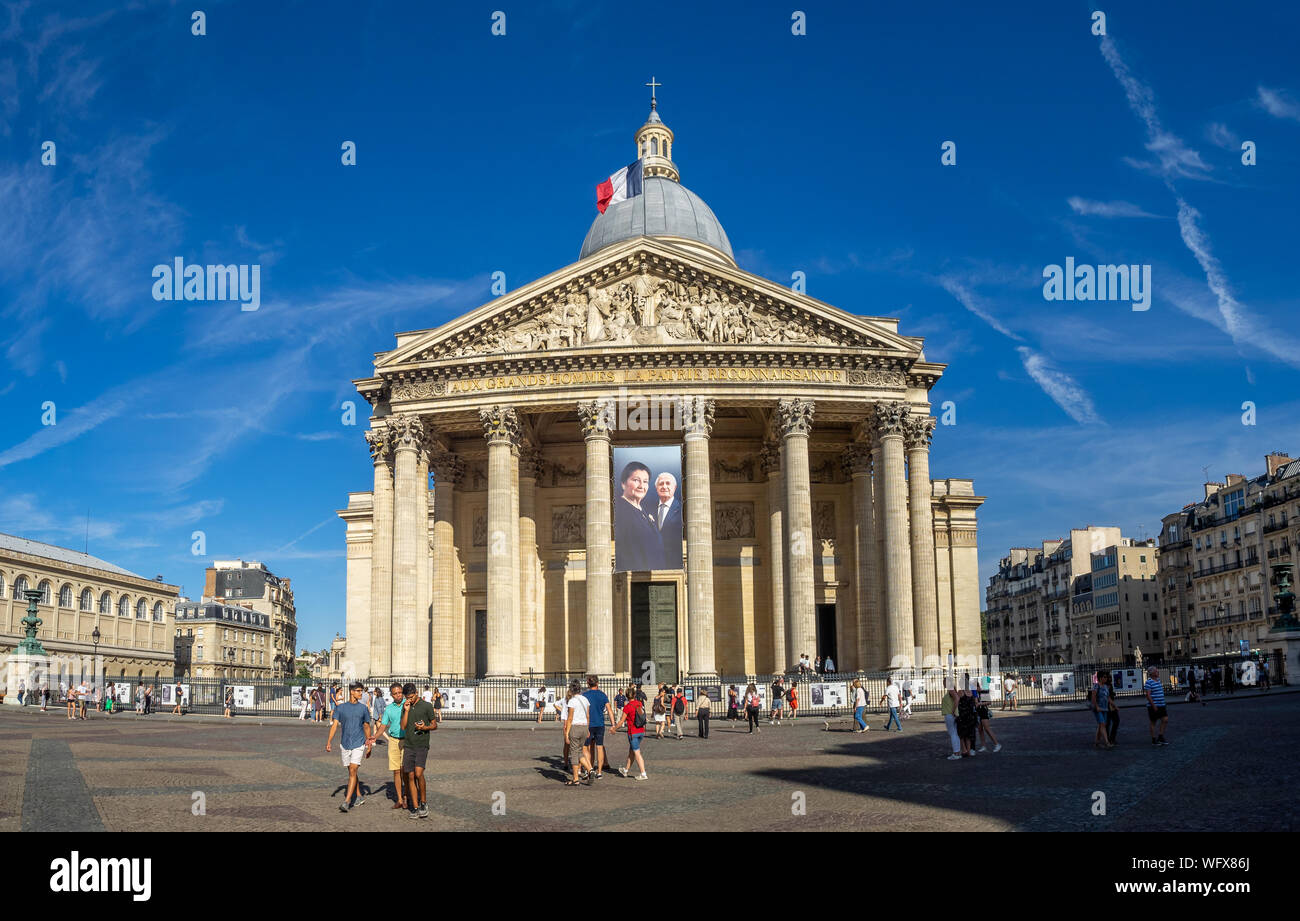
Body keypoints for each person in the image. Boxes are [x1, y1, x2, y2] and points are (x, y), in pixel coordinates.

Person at [326, 681, 374, 813]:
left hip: (359, 743)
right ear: (352, 691)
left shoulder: (363, 708)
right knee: (352, 772)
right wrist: (329, 741)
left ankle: (347, 802)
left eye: (361, 691)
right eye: (358, 691)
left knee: (353, 769)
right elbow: (335, 725)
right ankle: (359, 796)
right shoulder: (340, 708)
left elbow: (366, 726)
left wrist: (369, 745)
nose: (361, 693)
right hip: (345, 743)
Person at [614, 461, 665, 571]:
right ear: (623, 483)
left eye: (645, 481)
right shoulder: (621, 510)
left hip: (655, 574)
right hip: (636, 577)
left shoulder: (644, 511)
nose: (641, 486)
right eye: (636, 480)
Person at [400, 681, 438, 817]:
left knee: (418, 773)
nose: (409, 700)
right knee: (409, 775)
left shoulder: (426, 706)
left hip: (422, 744)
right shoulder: (405, 707)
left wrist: (425, 728)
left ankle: (423, 802)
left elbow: (434, 725)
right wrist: (406, 711)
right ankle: (415, 807)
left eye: (411, 697)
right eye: (407, 698)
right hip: (409, 745)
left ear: (416, 693)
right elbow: (403, 727)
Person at [372, 683, 408, 809]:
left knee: (406, 771)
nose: (398, 695)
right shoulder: (388, 709)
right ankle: (399, 799)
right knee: (396, 771)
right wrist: (374, 737)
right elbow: (383, 726)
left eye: (400, 692)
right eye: (395, 693)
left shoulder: (408, 704)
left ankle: (407, 796)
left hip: (407, 741)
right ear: (391, 695)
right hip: (393, 741)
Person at [643, 471, 683, 568]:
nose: (664, 487)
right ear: (656, 488)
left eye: (668, 483)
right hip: (651, 562)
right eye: (661, 484)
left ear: (675, 487)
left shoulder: (682, 508)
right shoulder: (647, 508)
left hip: (674, 561)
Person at [583, 676, 616, 776]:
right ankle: (600, 772)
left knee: (588, 747)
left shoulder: (584, 695)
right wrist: (613, 724)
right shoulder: (602, 695)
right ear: (597, 683)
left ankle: (589, 769)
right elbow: (609, 710)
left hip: (588, 724)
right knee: (599, 747)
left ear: (588, 684)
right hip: (600, 724)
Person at [563, 680, 593, 786]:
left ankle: (575, 779)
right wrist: (588, 729)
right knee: (580, 751)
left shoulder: (572, 701)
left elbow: (570, 718)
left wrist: (566, 733)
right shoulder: (585, 699)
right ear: (580, 689)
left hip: (575, 728)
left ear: (571, 689)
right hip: (585, 727)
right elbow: (588, 716)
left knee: (574, 753)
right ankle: (590, 769)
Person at [613, 688, 648, 780]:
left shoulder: (627, 707)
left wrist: (614, 729)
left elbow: (621, 722)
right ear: (635, 694)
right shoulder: (639, 703)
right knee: (631, 752)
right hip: (641, 730)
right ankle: (626, 770)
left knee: (637, 753)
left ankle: (643, 773)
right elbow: (642, 716)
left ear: (627, 696)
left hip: (633, 733)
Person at [1144, 667, 1169, 747]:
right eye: (1156, 671)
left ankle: (1160, 737)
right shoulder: (1148, 682)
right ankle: (1153, 740)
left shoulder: (1158, 680)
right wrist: (1153, 705)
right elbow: (1148, 695)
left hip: (1161, 705)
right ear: (1152, 673)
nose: (1158, 672)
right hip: (1153, 705)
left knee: (1165, 719)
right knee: (1153, 722)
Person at [1090, 671, 1112, 749]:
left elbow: (1108, 697)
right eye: (1104, 677)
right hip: (1098, 709)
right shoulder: (1096, 686)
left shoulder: (1106, 686)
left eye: (1106, 677)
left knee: (1101, 725)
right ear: (1100, 678)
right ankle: (1107, 742)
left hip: (1105, 708)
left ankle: (1096, 742)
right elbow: (1093, 698)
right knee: (1102, 724)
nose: (1106, 678)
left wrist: (1114, 706)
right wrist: (1097, 706)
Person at [942, 682, 962, 760]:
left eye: (944, 682)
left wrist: (953, 710)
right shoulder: (951, 690)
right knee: (955, 733)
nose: (943, 683)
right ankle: (957, 752)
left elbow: (957, 698)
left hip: (950, 714)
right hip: (952, 714)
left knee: (953, 733)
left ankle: (956, 753)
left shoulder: (950, 689)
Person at [955, 687, 978, 756]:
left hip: (962, 715)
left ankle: (964, 750)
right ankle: (969, 751)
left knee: (961, 734)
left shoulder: (960, 692)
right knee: (968, 735)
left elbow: (956, 701)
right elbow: (975, 704)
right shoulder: (972, 692)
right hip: (970, 716)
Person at [1104, 672, 1120, 746]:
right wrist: (1115, 706)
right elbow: (1108, 698)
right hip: (1108, 707)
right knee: (1108, 723)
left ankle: (1111, 738)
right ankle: (1108, 739)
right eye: (1109, 678)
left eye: (1110, 677)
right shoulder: (1106, 686)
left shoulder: (1110, 685)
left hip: (1111, 706)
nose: (1111, 679)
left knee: (1114, 722)